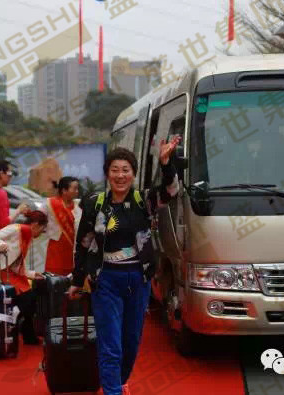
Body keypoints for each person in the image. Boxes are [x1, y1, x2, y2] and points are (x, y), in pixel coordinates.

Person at [67, 136, 181, 395]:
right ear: (107, 173)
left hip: (137, 280)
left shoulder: (144, 201)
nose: (120, 175)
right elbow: (83, 243)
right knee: (111, 344)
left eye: (125, 170)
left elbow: (171, 189)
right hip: (106, 279)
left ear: (133, 174)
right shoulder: (95, 203)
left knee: (130, 342)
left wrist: (166, 162)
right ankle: (112, 390)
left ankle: (117, 383)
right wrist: (77, 280)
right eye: (115, 170)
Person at [0, 210, 48, 345]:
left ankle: (22, 330)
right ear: (36, 224)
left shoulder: (26, 234)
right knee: (27, 299)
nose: (42, 233)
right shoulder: (16, 229)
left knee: (29, 299)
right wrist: (1, 245)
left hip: (9, 271)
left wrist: (32, 274)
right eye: (42, 229)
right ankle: (15, 327)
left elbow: (15, 264)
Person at [41, 176, 81, 276]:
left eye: (77, 188)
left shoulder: (79, 205)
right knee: (54, 278)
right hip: (55, 249)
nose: (77, 191)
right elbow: (38, 219)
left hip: (73, 249)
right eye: (74, 188)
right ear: (64, 190)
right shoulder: (50, 203)